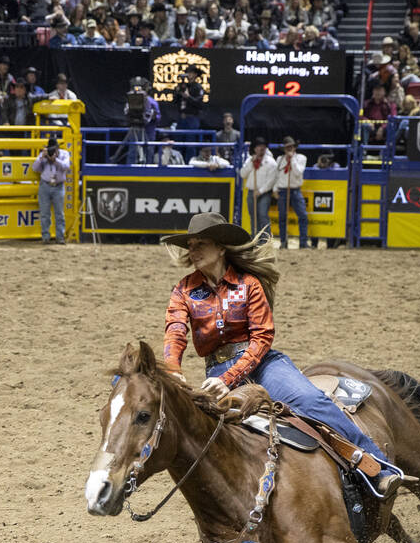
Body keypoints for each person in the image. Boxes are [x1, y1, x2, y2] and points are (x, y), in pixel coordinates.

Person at [160, 213, 402, 498]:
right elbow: (175, 329)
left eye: (201, 243)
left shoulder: (249, 284)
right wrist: (172, 368)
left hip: (262, 365)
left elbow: (262, 337)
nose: (193, 250)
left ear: (221, 247)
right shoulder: (184, 289)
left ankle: (377, 468)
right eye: (190, 244)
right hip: (217, 372)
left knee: (311, 401)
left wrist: (227, 378)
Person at [33, 136, 70, 244]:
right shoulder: (43, 154)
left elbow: (66, 166)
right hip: (45, 185)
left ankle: (60, 237)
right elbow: (35, 168)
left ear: (58, 148)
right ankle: (45, 237)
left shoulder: (64, 154)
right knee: (45, 213)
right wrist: (42, 158)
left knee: (59, 213)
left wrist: (55, 160)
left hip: (58, 185)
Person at [273, 136, 308, 250]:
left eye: (291, 147)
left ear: (294, 147)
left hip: (295, 189)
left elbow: (298, 172)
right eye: (287, 147)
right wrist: (275, 189)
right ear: (284, 148)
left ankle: (303, 243)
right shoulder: (279, 159)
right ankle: (283, 242)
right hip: (283, 190)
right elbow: (276, 175)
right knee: (282, 217)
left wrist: (292, 159)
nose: (289, 149)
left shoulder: (301, 158)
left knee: (302, 216)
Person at [239, 136, 275, 235]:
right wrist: (251, 163)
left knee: (263, 215)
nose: (261, 148)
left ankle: (266, 240)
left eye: (263, 146)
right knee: (253, 216)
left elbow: (271, 180)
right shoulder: (249, 160)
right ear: (254, 148)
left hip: (264, 193)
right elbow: (242, 174)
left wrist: (260, 191)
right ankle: (255, 240)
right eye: (259, 146)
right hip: (251, 191)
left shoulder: (271, 162)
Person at [173, 65, 205, 130]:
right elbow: (175, 101)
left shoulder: (198, 87)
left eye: (191, 72)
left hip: (192, 117)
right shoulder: (183, 86)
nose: (189, 74)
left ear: (195, 74)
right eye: (188, 72)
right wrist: (177, 93)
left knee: (190, 138)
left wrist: (188, 97)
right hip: (181, 116)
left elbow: (199, 104)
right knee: (179, 137)